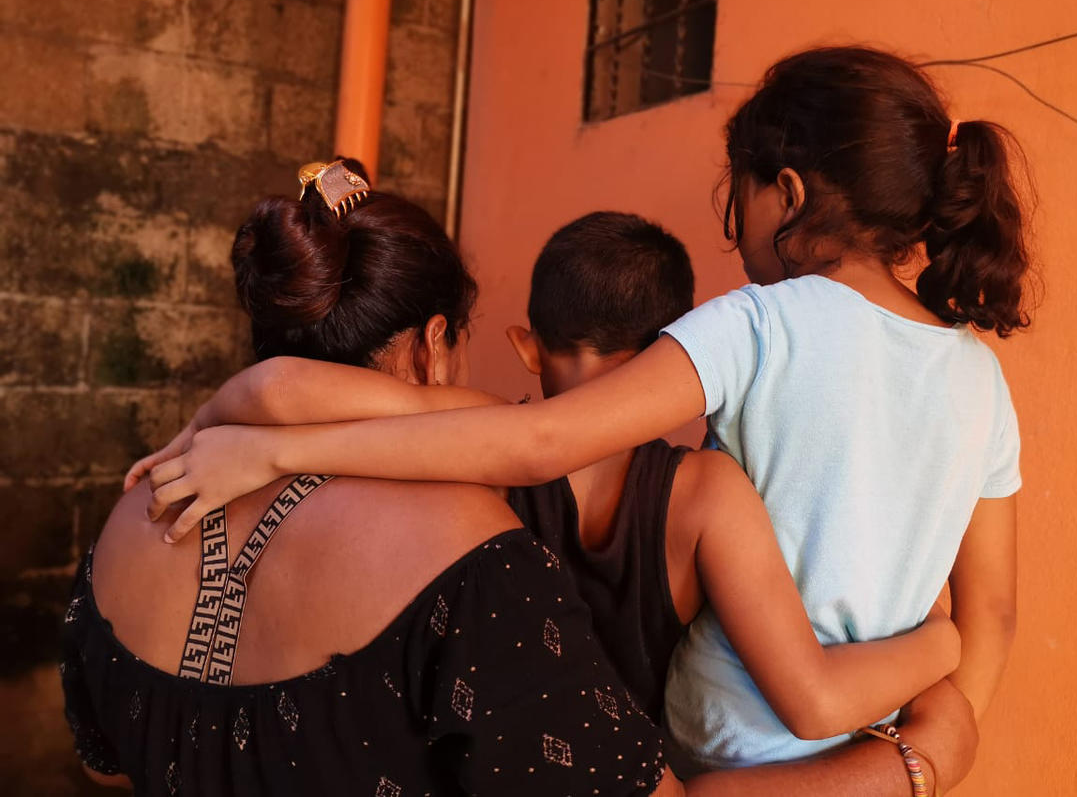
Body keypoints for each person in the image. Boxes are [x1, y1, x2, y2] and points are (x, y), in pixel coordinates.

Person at [147, 45, 1025, 775]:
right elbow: (990, 619)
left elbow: (534, 438)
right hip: (867, 746)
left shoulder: (763, 323)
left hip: (711, 746)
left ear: (786, 195)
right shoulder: (981, 380)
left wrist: (269, 450)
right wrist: (927, 742)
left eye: (740, 194)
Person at [132, 211, 959, 741]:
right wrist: (943, 645)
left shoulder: (479, 440)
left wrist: (226, 431)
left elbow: (282, 387)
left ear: (529, 346)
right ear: (673, 358)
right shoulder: (709, 496)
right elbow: (809, 694)